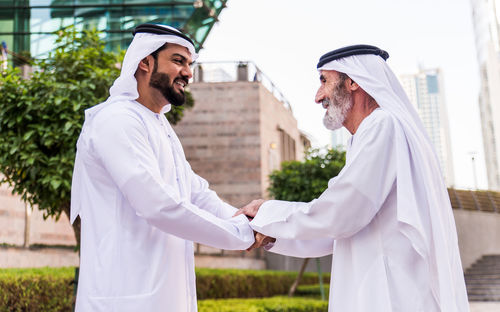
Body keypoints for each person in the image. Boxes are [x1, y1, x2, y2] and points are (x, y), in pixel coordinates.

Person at [236, 45, 469, 311]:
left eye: (324, 81)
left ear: (353, 81)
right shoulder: (368, 134)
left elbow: (341, 213)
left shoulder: (383, 125)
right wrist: (271, 232)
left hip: (391, 297)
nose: (317, 96)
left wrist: (268, 211)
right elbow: (339, 231)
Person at [70, 24, 255, 312]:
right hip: (124, 297)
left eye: (190, 64)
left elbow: (196, 193)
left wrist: (246, 220)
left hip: (164, 297)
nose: (188, 73)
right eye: (178, 61)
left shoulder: (159, 126)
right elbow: (158, 205)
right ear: (145, 61)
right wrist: (241, 234)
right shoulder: (117, 119)